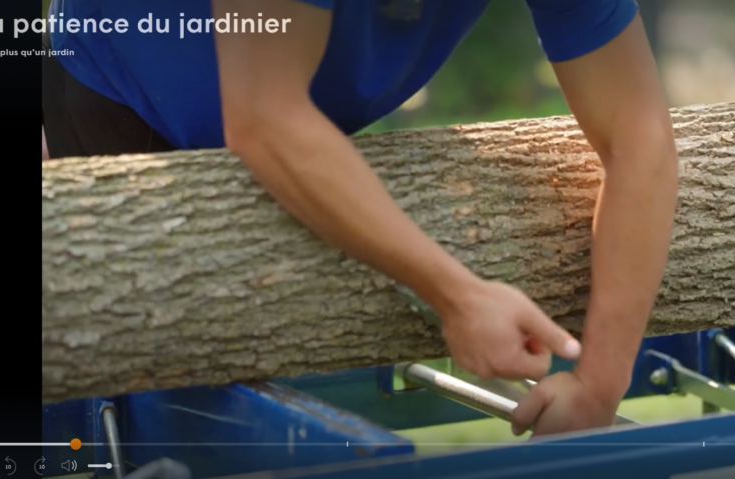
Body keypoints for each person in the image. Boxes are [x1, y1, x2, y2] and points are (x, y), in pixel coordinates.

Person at [42, 0, 678, 437]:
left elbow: (639, 135)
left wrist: (598, 381)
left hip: (290, 122)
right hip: (117, 96)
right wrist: (457, 295)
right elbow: (264, 118)